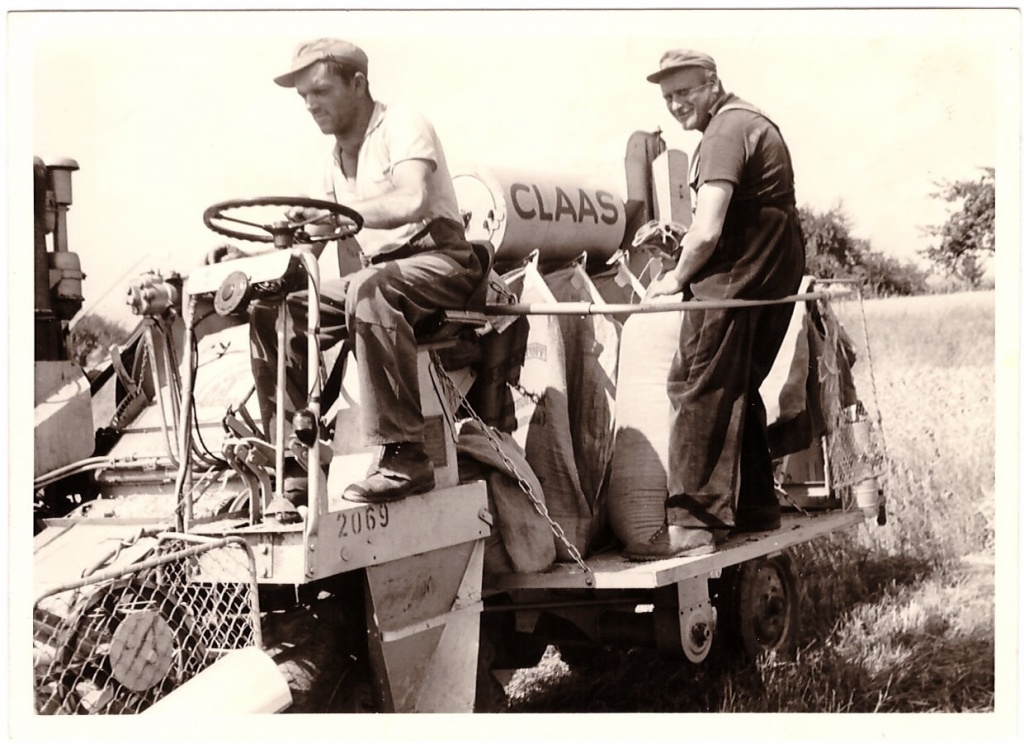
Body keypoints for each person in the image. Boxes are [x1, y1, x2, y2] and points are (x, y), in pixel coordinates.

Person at [239, 38, 488, 504]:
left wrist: (335, 215)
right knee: (276, 309)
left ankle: (406, 455)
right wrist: (256, 262)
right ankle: (294, 459)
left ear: (357, 84)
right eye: (304, 97)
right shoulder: (329, 163)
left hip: (441, 261)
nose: (310, 105)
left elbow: (412, 199)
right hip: (380, 276)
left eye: (320, 91)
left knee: (371, 292)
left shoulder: (402, 125)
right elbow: (309, 249)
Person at [626, 49, 806, 560]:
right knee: (736, 381)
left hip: (738, 274)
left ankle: (693, 526)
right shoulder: (750, 120)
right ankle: (754, 507)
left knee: (697, 383)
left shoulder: (724, 133)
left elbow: (706, 230)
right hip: (771, 266)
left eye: (685, 92)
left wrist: (676, 277)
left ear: (712, 84)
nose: (676, 104)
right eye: (668, 97)